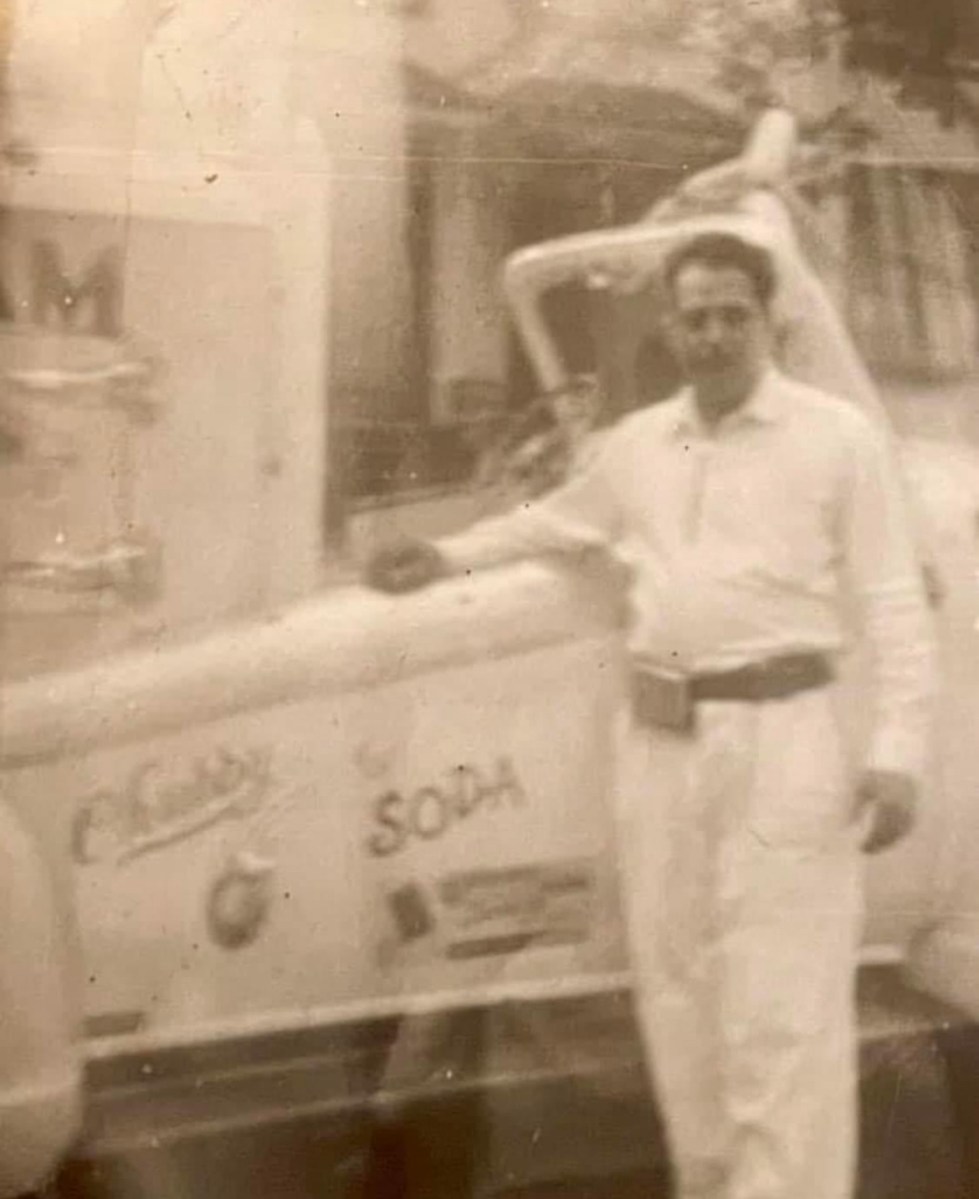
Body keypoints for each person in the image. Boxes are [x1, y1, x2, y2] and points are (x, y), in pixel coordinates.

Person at [365, 230, 936, 1199]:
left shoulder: (835, 437)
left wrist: (896, 749)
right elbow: (550, 522)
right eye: (694, 315)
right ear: (669, 327)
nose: (711, 334)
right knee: (679, 1003)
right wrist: (445, 555)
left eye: (732, 315)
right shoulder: (635, 446)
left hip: (782, 743)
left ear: (770, 321)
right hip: (661, 750)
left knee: (780, 1012)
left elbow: (893, 603)